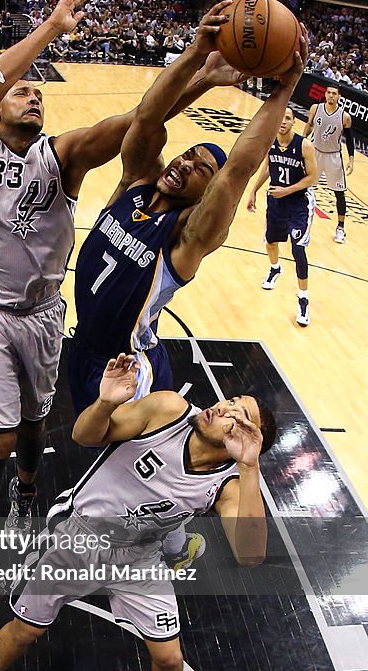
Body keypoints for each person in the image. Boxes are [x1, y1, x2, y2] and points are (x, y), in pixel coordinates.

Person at [0, 0, 251, 552]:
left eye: (38, 92)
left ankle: (29, 492)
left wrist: (201, 75)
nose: (31, 96)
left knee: (35, 422)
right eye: (21, 92)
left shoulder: (62, 156)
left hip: (44, 315)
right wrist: (49, 32)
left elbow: (141, 120)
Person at [0, 354, 276, 671]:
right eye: (230, 400)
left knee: (170, 658)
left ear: (246, 440)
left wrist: (251, 468)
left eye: (237, 416)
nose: (223, 407)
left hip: (139, 557)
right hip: (77, 537)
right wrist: (105, 403)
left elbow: (251, 554)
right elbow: (83, 436)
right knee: (26, 631)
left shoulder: (230, 483)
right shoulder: (167, 409)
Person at [69, 21, 308, 415]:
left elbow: (238, 170)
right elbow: (147, 119)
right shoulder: (136, 183)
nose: (185, 163)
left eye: (200, 169)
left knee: (121, 464)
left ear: (205, 194)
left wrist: (285, 89)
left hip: (129, 370)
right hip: (84, 348)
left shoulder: (186, 236)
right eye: (189, 154)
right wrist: (198, 60)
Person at [246, 107, 318, 326]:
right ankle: (275, 268)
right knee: (270, 241)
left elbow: (313, 178)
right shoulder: (271, 142)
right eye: (281, 117)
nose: (283, 121)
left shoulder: (304, 145)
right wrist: (253, 191)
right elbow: (267, 167)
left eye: (288, 118)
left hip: (299, 204)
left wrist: (287, 190)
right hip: (276, 202)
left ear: (294, 122)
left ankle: (303, 300)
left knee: (298, 249)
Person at [303, 82, 354, 243]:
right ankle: (301, 223)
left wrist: (351, 159)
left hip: (333, 156)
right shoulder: (315, 109)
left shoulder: (344, 117)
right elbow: (309, 125)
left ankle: (340, 228)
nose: (331, 95)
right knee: (303, 188)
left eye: (334, 93)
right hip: (315, 152)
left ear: (339, 96)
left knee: (339, 193)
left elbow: (350, 140)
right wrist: (302, 141)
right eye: (329, 93)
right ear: (325, 94)